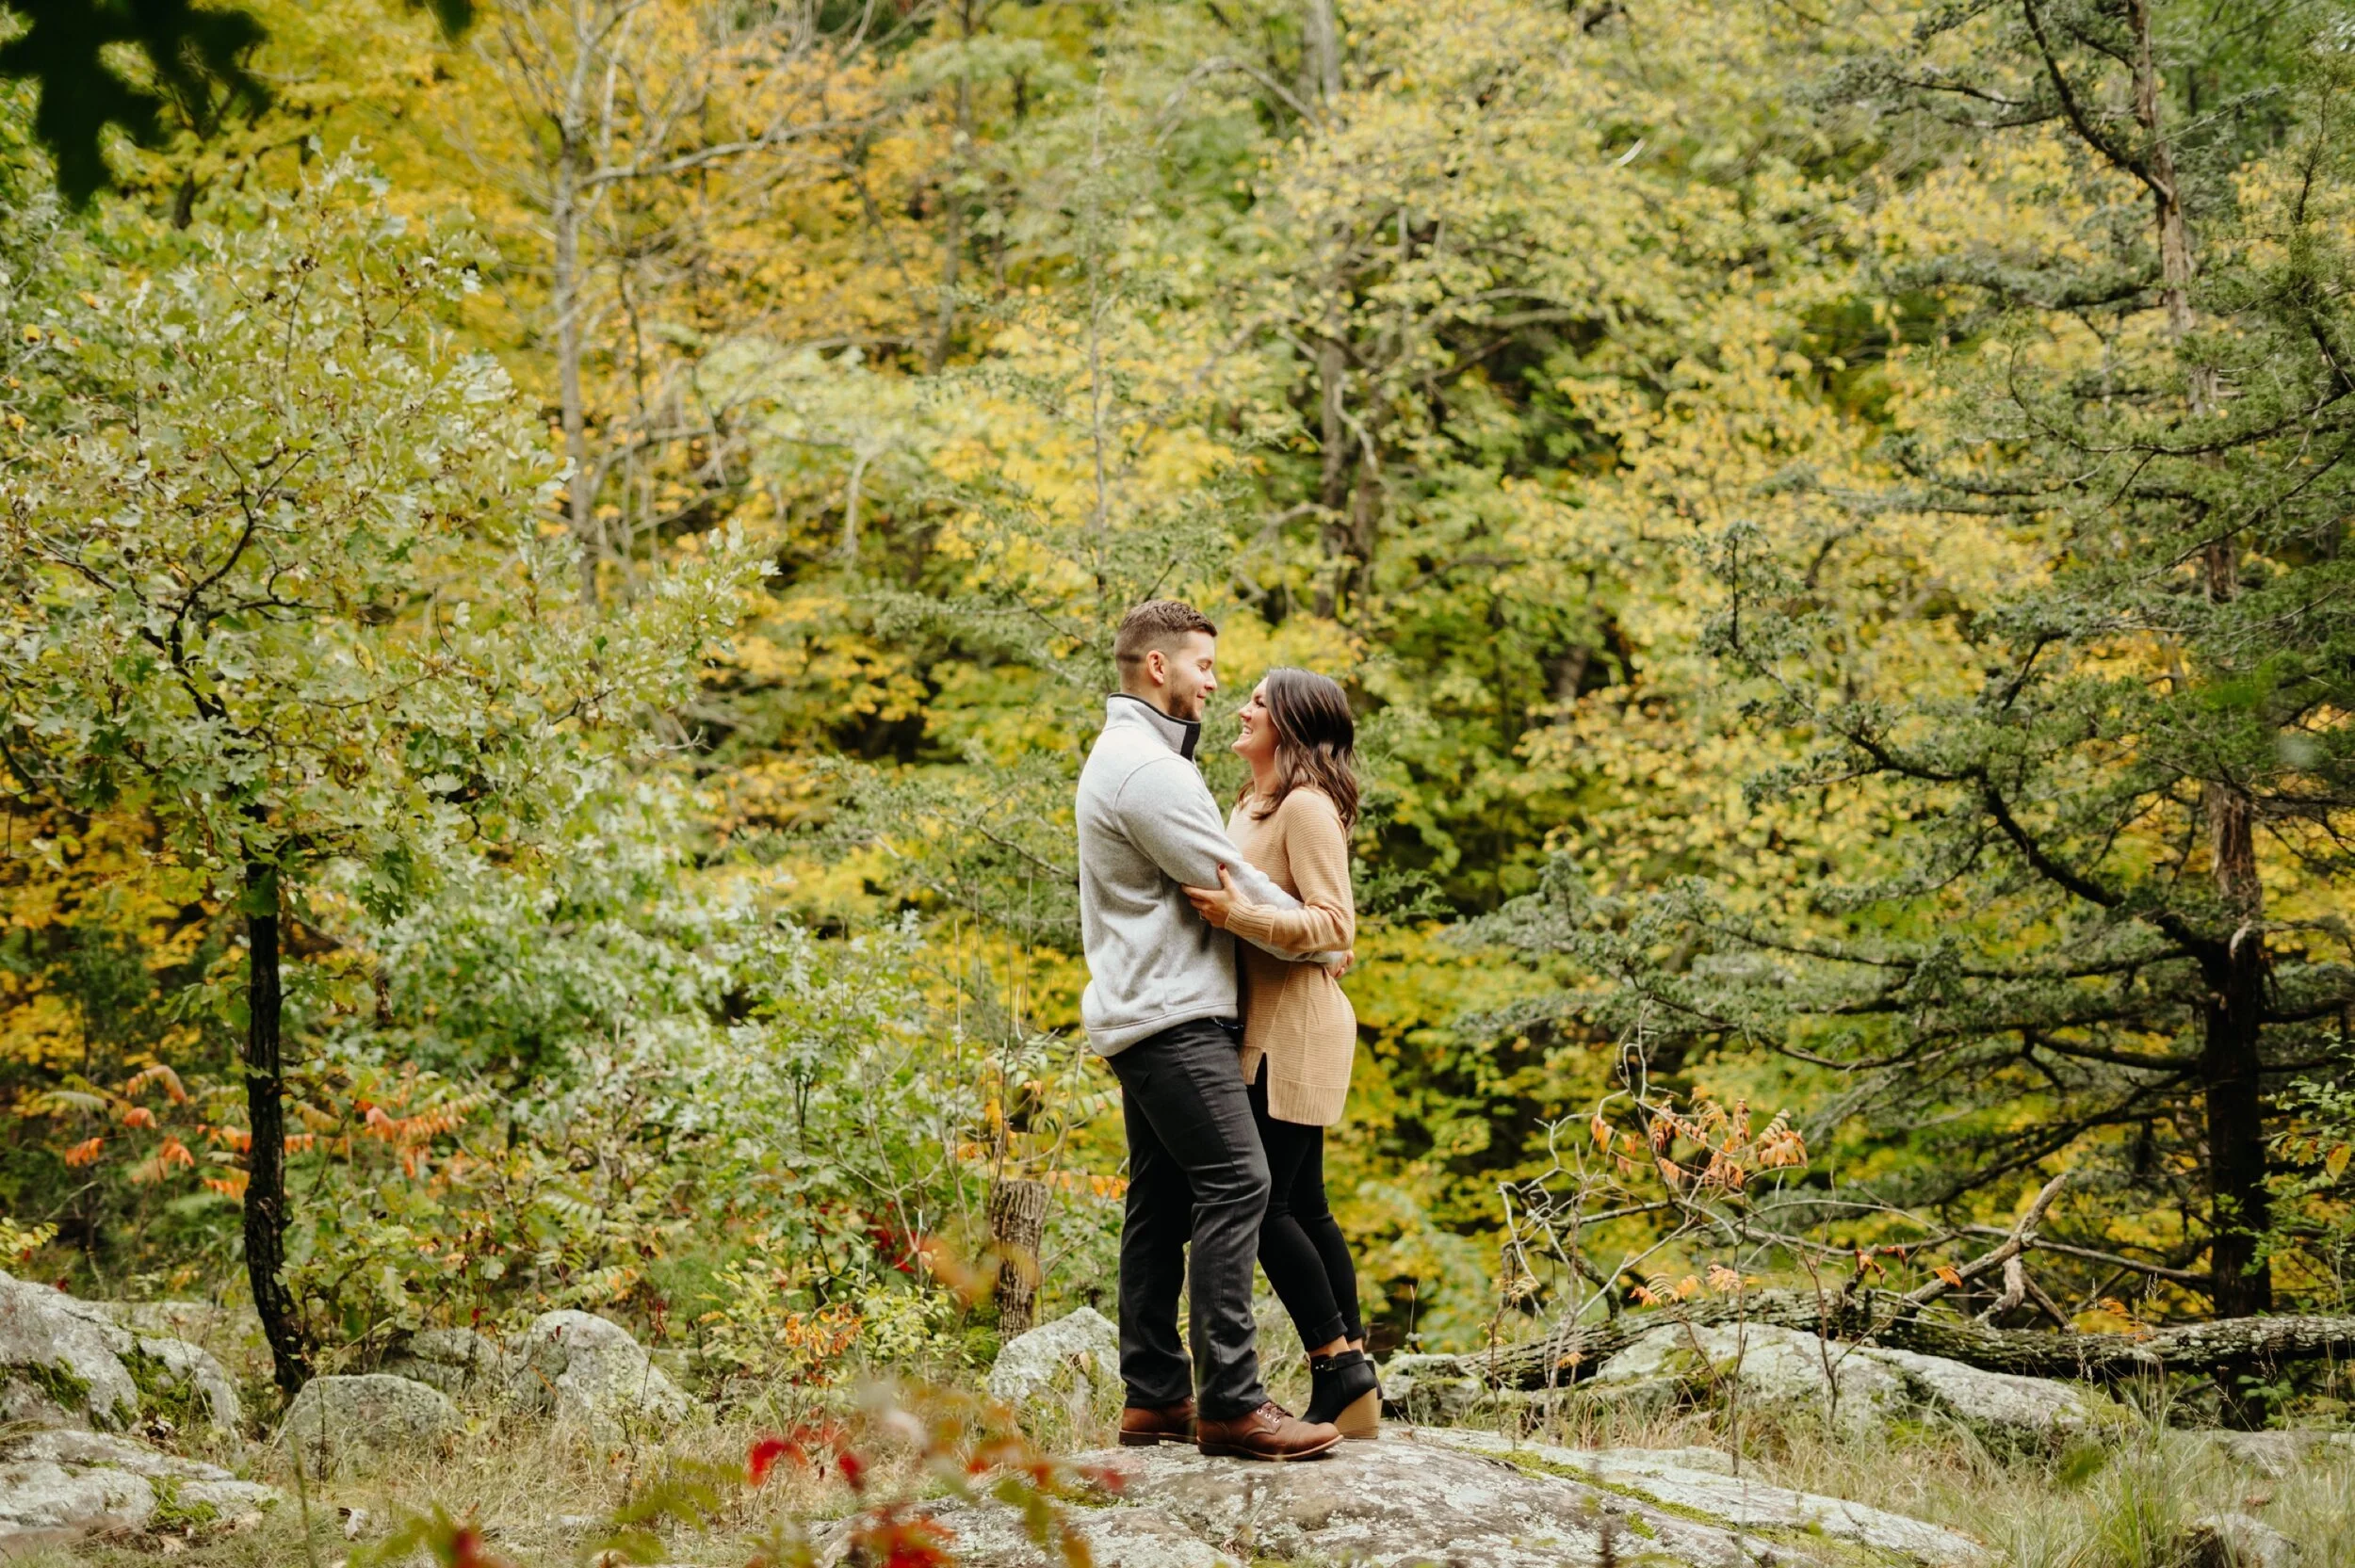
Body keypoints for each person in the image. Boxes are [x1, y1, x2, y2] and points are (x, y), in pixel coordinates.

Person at [1075, 600, 1344, 1463]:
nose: (1215, 683)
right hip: (1173, 1013)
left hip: (1148, 1010)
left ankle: (1154, 1395)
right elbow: (1224, 876)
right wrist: (1316, 931)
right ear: (1159, 667)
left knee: (1157, 1201)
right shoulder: (1145, 770)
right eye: (1204, 666)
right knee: (1239, 1183)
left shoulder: (1136, 757)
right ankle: (1232, 1402)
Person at [1183, 669, 1379, 1438]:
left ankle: (1338, 1363)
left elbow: (1335, 926)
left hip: (1295, 1030)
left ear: (1290, 725)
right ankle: (1354, 1371)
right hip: (1263, 1024)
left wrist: (1240, 918)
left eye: (1258, 702)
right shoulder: (1250, 802)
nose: (1241, 707)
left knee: (1265, 1207)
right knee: (1307, 1204)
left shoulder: (1307, 806)